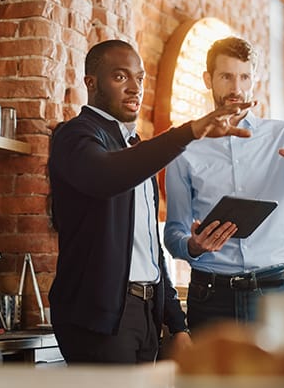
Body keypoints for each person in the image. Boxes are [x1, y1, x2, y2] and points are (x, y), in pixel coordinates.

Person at [47, 39, 255, 364]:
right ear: (91, 83)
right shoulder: (74, 136)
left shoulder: (134, 146)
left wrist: (177, 322)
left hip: (145, 316)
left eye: (139, 78)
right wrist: (189, 132)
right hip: (99, 320)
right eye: (120, 77)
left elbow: (149, 248)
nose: (134, 88)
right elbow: (105, 175)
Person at [164, 36, 284, 331]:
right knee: (211, 379)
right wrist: (192, 246)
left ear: (253, 79)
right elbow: (173, 233)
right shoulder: (186, 145)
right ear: (208, 79)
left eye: (244, 77)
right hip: (211, 296)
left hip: (274, 292)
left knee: (280, 379)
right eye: (227, 77)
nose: (237, 88)